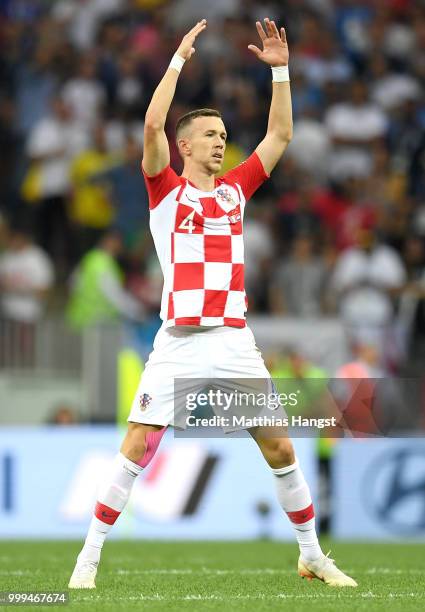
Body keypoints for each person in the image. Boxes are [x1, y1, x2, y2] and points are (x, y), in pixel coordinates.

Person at [69, 18, 357, 590]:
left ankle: (311, 555)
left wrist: (280, 70)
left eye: (224, 133)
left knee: (279, 445)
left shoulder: (236, 190)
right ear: (184, 146)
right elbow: (152, 122)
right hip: (177, 343)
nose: (221, 140)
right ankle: (88, 559)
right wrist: (176, 60)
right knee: (138, 446)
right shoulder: (164, 189)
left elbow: (280, 137)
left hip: (232, 339)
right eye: (210, 134)